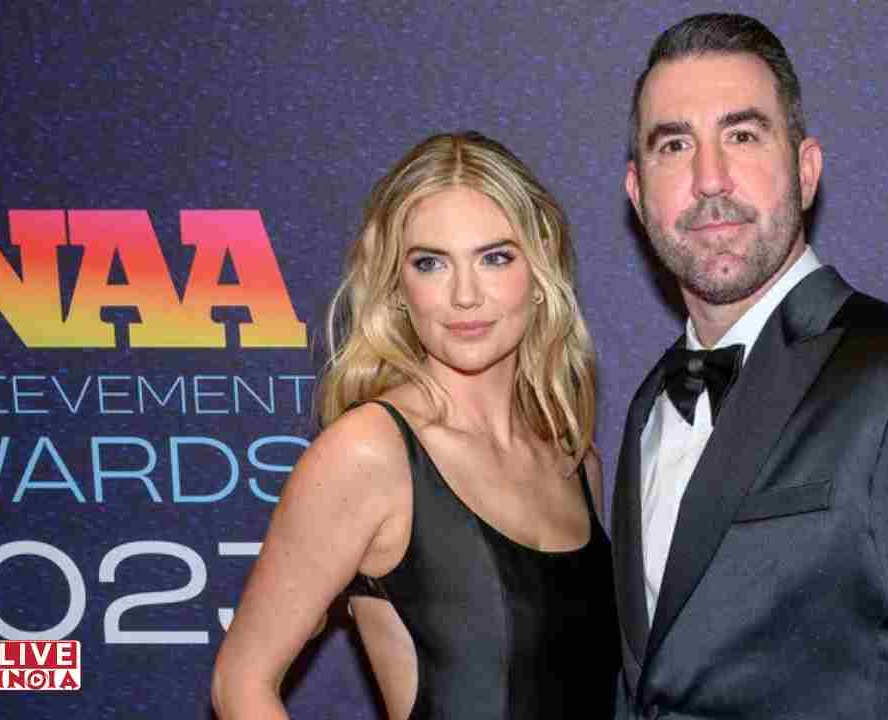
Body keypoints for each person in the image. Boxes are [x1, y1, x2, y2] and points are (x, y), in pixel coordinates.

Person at [612, 13, 888, 720]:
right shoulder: (648, 406)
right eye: (675, 145)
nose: (709, 177)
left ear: (806, 170)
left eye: (742, 135)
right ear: (637, 193)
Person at [212, 132, 619, 719]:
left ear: (539, 272)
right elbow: (241, 682)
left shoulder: (573, 459)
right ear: (399, 289)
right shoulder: (369, 454)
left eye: (495, 257)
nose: (464, 295)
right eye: (430, 263)